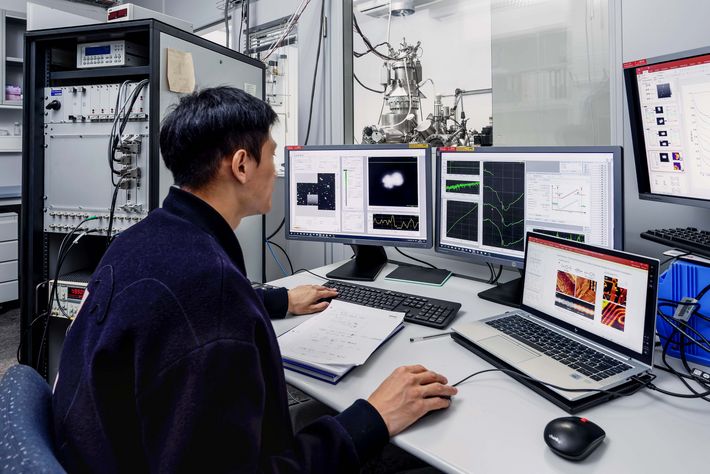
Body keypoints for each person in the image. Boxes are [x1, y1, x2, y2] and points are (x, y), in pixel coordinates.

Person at [52, 86, 457, 473]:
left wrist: (279, 301)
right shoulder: (211, 288)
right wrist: (375, 416)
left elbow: (178, 311)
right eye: (273, 157)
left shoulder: (144, 240)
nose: (277, 170)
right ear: (242, 165)